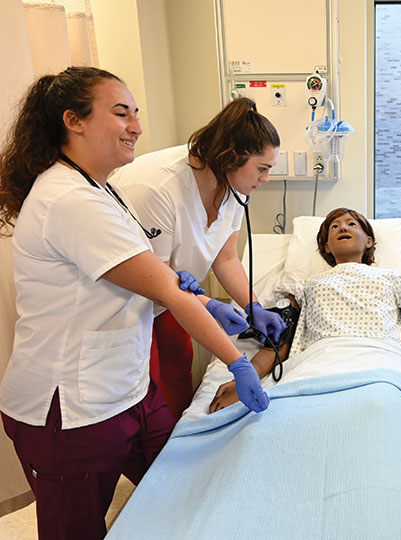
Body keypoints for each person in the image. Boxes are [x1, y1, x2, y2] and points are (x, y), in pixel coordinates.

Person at [0, 67, 268, 540]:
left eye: (136, 113)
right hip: (70, 408)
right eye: (120, 113)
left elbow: (151, 277)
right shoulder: (69, 199)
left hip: (125, 388)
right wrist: (236, 363)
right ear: (74, 121)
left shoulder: (101, 190)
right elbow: (165, 291)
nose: (136, 126)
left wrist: (199, 293)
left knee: (178, 485)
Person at [110, 97, 287, 420]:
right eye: (262, 169)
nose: (266, 179)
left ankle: (180, 439)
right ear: (232, 157)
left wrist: (253, 306)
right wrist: (210, 306)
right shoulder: (157, 187)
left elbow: (227, 259)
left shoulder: (235, 188)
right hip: (127, 305)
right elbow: (155, 280)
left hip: (176, 299)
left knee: (178, 380)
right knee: (143, 398)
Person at [210, 207, 401, 413]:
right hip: (320, 364)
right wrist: (243, 379)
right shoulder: (306, 286)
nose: (343, 227)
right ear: (326, 247)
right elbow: (280, 343)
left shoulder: (396, 279)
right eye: (334, 227)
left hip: (382, 363)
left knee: (383, 406)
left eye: (352, 224)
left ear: (369, 241)